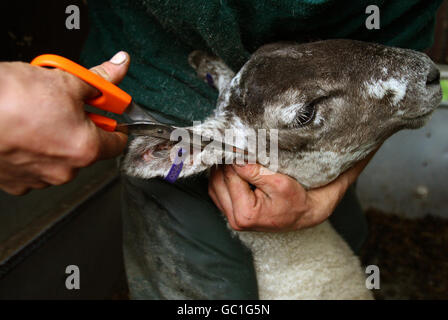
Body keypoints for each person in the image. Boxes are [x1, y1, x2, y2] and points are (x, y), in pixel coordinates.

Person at [0, 0, 442, 299]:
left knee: (345, 247)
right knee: (208, 292)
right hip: (161, 79)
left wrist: (332, 191)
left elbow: (409, 35)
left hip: (320, 80)